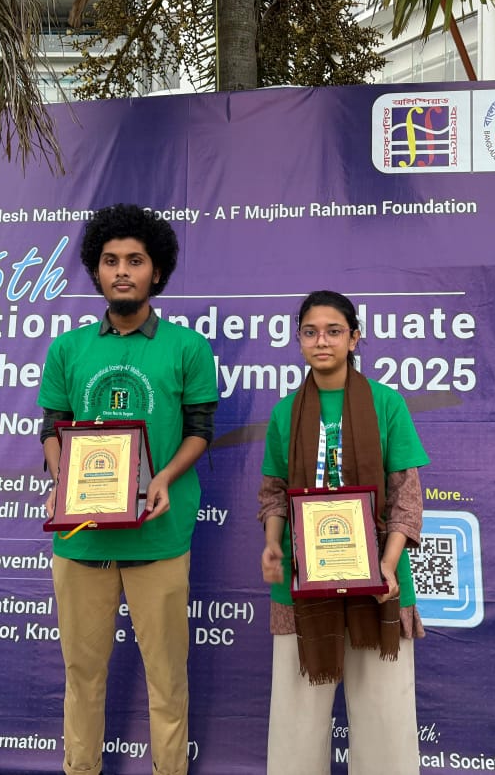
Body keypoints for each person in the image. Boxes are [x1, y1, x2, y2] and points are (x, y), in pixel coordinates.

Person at [38, 203, 218, 775]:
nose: (122, 271)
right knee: (82, 676)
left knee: (167, 677)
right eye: (111, 260)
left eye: (135, 261)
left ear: (156, 271)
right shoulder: (67, 349)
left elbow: (200, 431)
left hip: (157, 536)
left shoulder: (188, 348)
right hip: (82, 537)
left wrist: (162, 478)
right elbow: (52, 429)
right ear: (96, 270)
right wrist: (62, 481)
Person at [258, 290, 429, 775]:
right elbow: (273, 494)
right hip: (302, 584)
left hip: (380, 583)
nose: (322, 341)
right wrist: (272, 543)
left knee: (385, 724)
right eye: (310, 332)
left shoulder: (386, 403)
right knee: (295, 725)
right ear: (298, 341)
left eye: (334, 331)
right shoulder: (285, 412)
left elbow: (407, 498)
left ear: (354, 339)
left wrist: (387, 565)